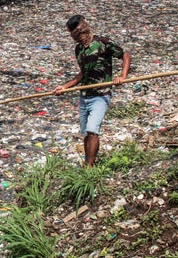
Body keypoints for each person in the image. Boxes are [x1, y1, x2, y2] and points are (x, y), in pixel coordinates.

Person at [52, 15, 131, 167]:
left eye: (74, 33)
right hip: (85, 96)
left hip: (101, 95)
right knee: (87, 133)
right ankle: (88, 163)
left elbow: (125, 55)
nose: (74, 37)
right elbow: (82, 74)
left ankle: (89, 168)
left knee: (93, 130)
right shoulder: (79, 50)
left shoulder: (102, 43)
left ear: (81, 30)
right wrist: (64, 87)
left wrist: (122, 76)